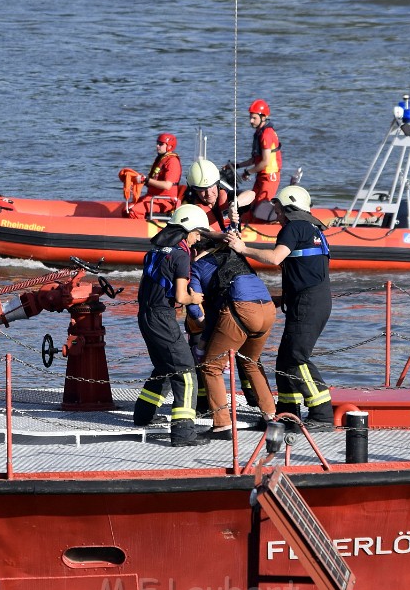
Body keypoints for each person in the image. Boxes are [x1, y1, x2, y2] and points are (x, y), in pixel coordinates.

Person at [224, 185, 333, 431]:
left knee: (296, 357)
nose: (276, 212)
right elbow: (303, 268)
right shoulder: (312, 229)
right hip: (312, 300)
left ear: (288, 208)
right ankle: (287, 414)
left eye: (278, 207)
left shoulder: (293, 227)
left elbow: (275, 258)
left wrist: (242, 248)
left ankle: (322, 414)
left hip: (308, 302)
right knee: (284, 360)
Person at [134, 204, 211, 447]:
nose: (199, 238)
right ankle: (183, 433)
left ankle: (143, 415)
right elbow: (180, 296)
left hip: (145, 315)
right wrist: (194, 299)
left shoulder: (158, 250)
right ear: (188, 230)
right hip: (162, 318)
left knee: (164, 366)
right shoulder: (180, 255)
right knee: (186, 372)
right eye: (198, 233)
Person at [187, 238, 277, 439]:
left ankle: (222, 425)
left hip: (241, 310)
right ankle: (270, 418)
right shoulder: (238, 258)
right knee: (251, 362)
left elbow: (194, 305)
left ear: (196, 250)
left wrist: (201, 327)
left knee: (211, 367)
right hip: (267, 309)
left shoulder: (198, 266)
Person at [224, 99, 282, 222]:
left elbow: (265, 162)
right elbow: (255, 159)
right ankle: (243, 222)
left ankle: (270, 224)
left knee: (261, 208)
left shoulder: (266, 135)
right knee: (252, 204)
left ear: (263, 117)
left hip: (269, 177)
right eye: (250, 117)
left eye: (254, 118)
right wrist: (237, 165)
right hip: (261, 176)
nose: (251, 121)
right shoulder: (259, 133)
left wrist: (248, 172)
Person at [126, 133, 182, 219]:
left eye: (160, 144)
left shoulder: (172, 161)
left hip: (165, 200)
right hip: (153, 197)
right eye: (157, 143)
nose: (157, 146)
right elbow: (152, 180)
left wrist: (146, 180)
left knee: (134, 212)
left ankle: (142, 230)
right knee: (126, 210)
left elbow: (167, 185)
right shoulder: (160, 160)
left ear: (169, 146)